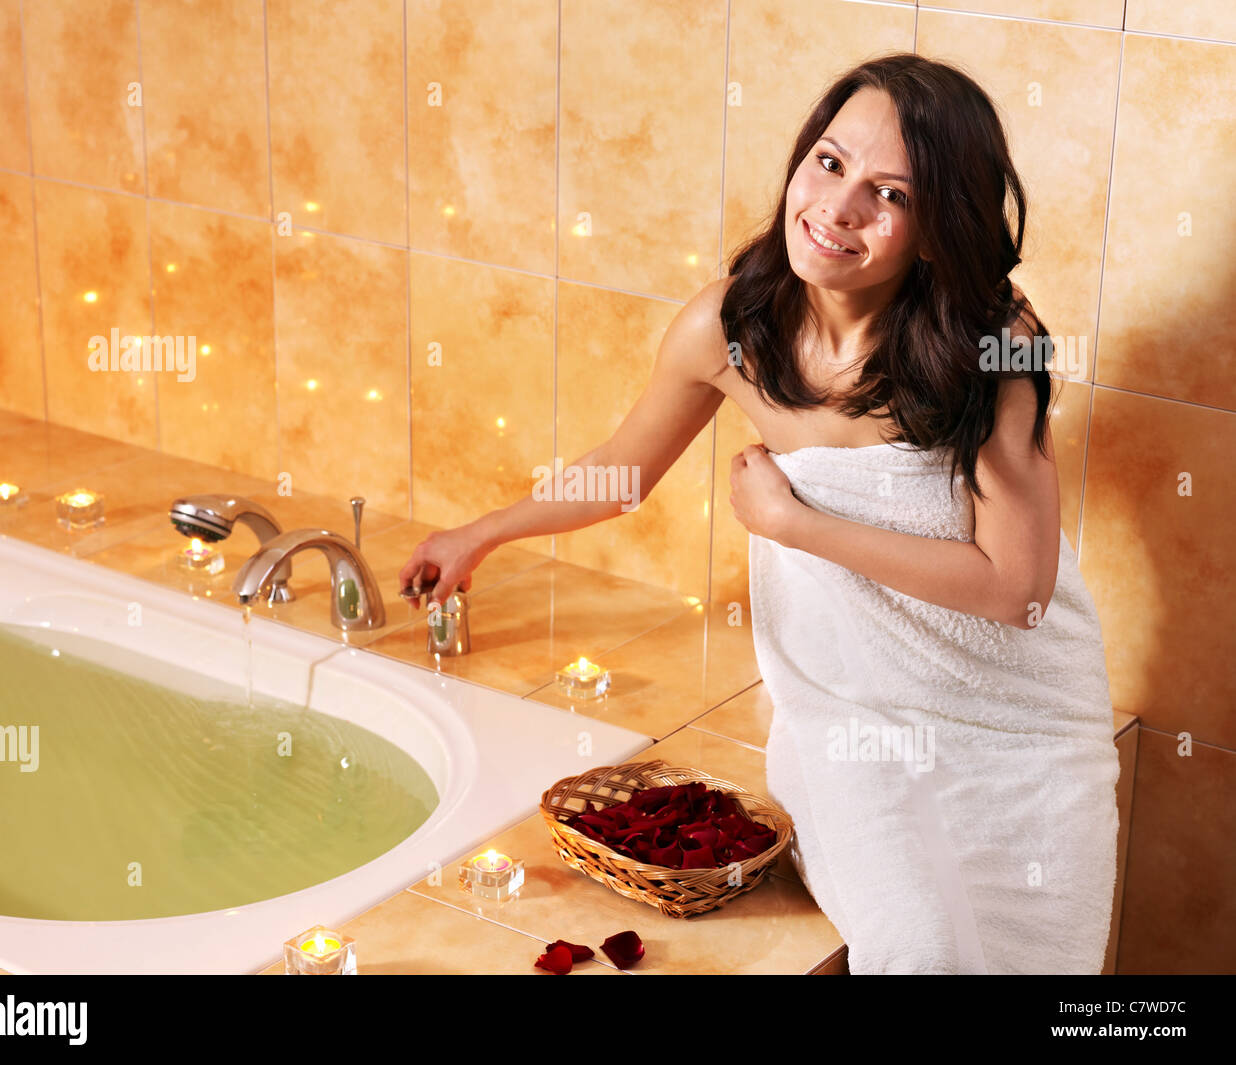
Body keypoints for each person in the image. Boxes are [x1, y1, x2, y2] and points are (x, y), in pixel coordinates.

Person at [399, 52, 1119, 974]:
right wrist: (482, 532)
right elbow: (621, 471)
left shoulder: (991, 346)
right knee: (922, 947)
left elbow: (1017, 588)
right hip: (852, 716)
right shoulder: (728, 328)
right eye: (828, 162)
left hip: (1017, 726)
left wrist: (792, 524)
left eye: (888, 193)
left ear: (938, 229)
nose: (838, 208)